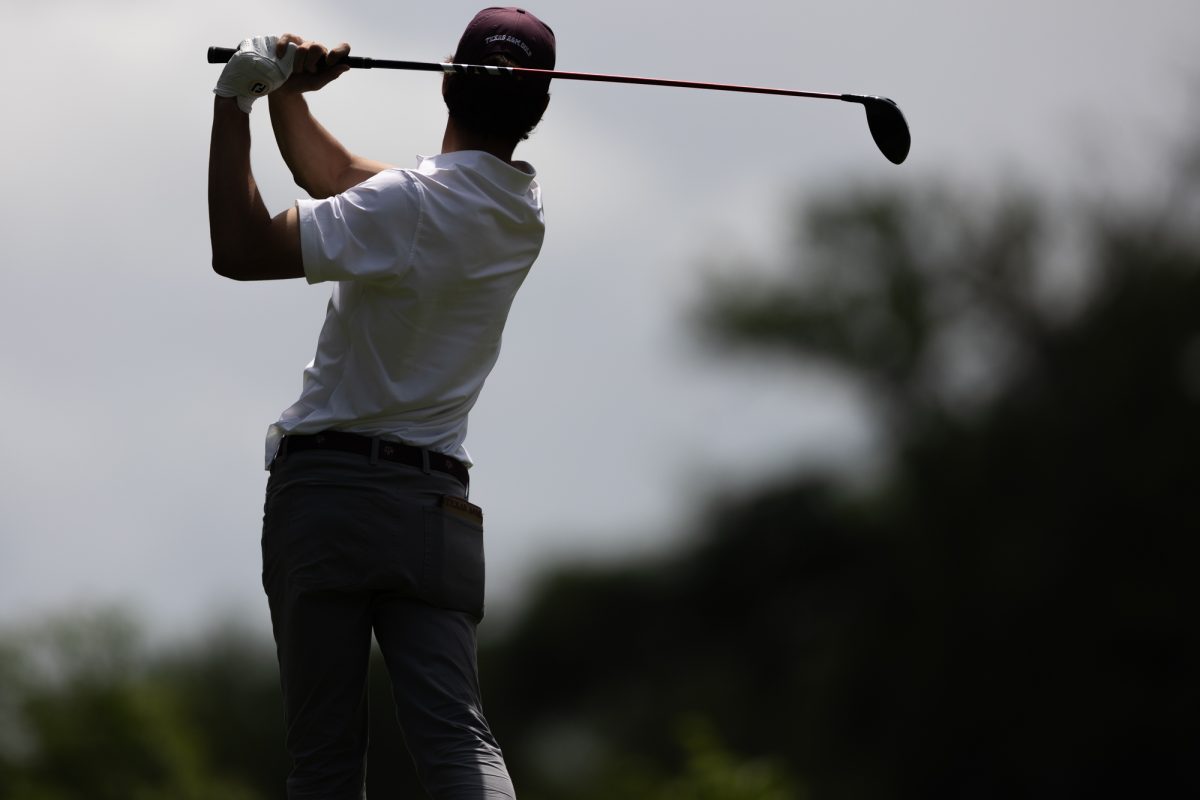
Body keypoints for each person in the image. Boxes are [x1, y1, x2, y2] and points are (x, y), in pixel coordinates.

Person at [207, 8, 555, 799]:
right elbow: (334, 184)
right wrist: (290, 91)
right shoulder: (520, 213)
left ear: (446, 78)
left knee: (326, 760)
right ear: (535, 112)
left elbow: (238, 248)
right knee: (459, 738)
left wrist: (236, 102)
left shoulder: (405, 206)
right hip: (435, 511)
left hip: (330, 496)